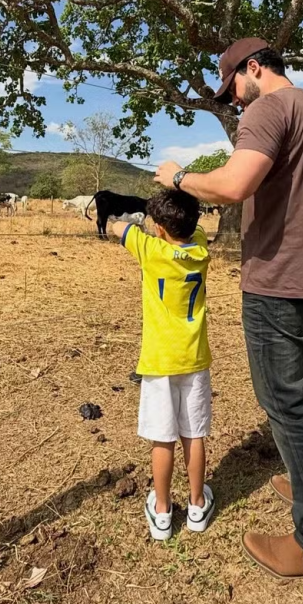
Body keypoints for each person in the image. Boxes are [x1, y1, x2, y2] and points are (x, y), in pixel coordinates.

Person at [155, 37, 303, 584]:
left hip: (276, 280)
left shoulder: (267, 108)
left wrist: (177, 176)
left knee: (285, 404)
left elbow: (234, 185)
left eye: (233, 88)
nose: (236, 102)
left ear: (253, 68)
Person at [107, 189, 215, 541]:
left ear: (159, 229)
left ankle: (164, 510)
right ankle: (198, 504)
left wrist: (133, 225)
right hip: (195, 358)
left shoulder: (150, 251)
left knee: (162, 437)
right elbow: (192, 229)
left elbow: (117, 228)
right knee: (194, 432)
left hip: (158, 361)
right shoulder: (199, 249)